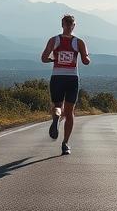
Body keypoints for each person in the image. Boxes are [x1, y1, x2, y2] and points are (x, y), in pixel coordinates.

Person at [40, 14, 90, 155]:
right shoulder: (79, 42)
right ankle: (65, 144)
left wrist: (53, 60)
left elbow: (43, 58)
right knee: (69, 113)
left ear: (62, 25)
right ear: (74, 26)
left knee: (57, 107)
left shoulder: (54, 40)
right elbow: (86, 61)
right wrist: (86, 56)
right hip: (72, 79)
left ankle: (56, 117)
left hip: (57, 77)